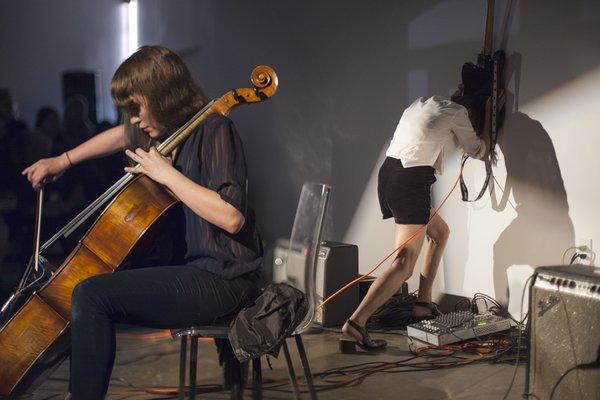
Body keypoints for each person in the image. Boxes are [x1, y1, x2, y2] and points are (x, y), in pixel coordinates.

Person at [22, 45, 263, 399]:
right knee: (91, 287)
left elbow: (231, 217)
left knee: (92, 294)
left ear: (163, 96)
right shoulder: (169, 134)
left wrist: (167, 176)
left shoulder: (215, 129)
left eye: (136, 107)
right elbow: (120, 136)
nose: (132, 118)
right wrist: (62, 160)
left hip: (226, 278)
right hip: (195, 268)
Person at [340, 85, 493, 352]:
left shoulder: (423, 103)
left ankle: (422, 305)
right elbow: (478, 149)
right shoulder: (458, 113)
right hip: (410, 182)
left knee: (440, 233)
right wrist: (490, 119)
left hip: (389, 175)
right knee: (404, 262)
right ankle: (355, 324)